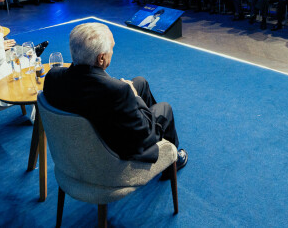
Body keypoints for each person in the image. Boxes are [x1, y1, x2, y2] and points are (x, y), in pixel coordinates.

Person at [43, 22, 188, 169]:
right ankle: (172, 162)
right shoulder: (118, 91)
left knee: (140, 82)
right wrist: (136, 97)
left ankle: (141, 118)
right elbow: (145, 134)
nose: (112, 52)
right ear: (101, 58)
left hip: (78, 142)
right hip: (114, 151)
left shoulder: (53, 77)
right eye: (111, 49)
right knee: (165, 109)